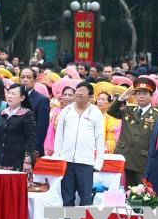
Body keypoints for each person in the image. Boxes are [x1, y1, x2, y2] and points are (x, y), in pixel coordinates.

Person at [54, 82, 105, 210]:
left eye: (83, 91)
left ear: (91, 97)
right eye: (78, 90)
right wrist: (57, 157)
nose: (79, 93)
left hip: (85, 162)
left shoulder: (96, 113)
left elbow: (100, 139)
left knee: (85, 198)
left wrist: (99, 162)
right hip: (66, 161)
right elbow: (59, 136)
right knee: (67, 197)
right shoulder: (66, 110)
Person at [108, 77, 158, 187]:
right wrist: (123, 97)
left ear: (151, 96)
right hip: (124, 156)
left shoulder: (157, 115)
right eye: (138, 93)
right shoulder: (129, 109)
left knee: (142, 193)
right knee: (122, 190)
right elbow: (111, 111)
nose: (141, 96)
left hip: (142, 160)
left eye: (145, 93)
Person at [0, 84, 36, 173]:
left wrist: (27, 161)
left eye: (13, 94)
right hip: (1, 159)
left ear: (22, 98)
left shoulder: (27, 114)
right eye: (9, 93)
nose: (9, 96)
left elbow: (31, 139)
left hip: (18, 161)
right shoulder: (3, 113)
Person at [20, 68, 49, 156]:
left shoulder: (41, 100)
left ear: (35, 80)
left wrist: (33, 150)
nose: (25, 80)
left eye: (28, 77)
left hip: (31, 149)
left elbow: (41, 128)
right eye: (22, 77)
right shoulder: (14, 97)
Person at [44, 85, 76, 156]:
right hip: (55, 143)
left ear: (75, 97)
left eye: (70, 95)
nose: (67, 97)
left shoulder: (77, 113)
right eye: (65, 94)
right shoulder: (55, 110)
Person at [95, 83, 121, 154]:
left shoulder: (115, 117)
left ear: (110, 103)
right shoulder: (93, 114)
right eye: (99, 99)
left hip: (111, 146)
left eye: (103, 99)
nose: (99, 101)